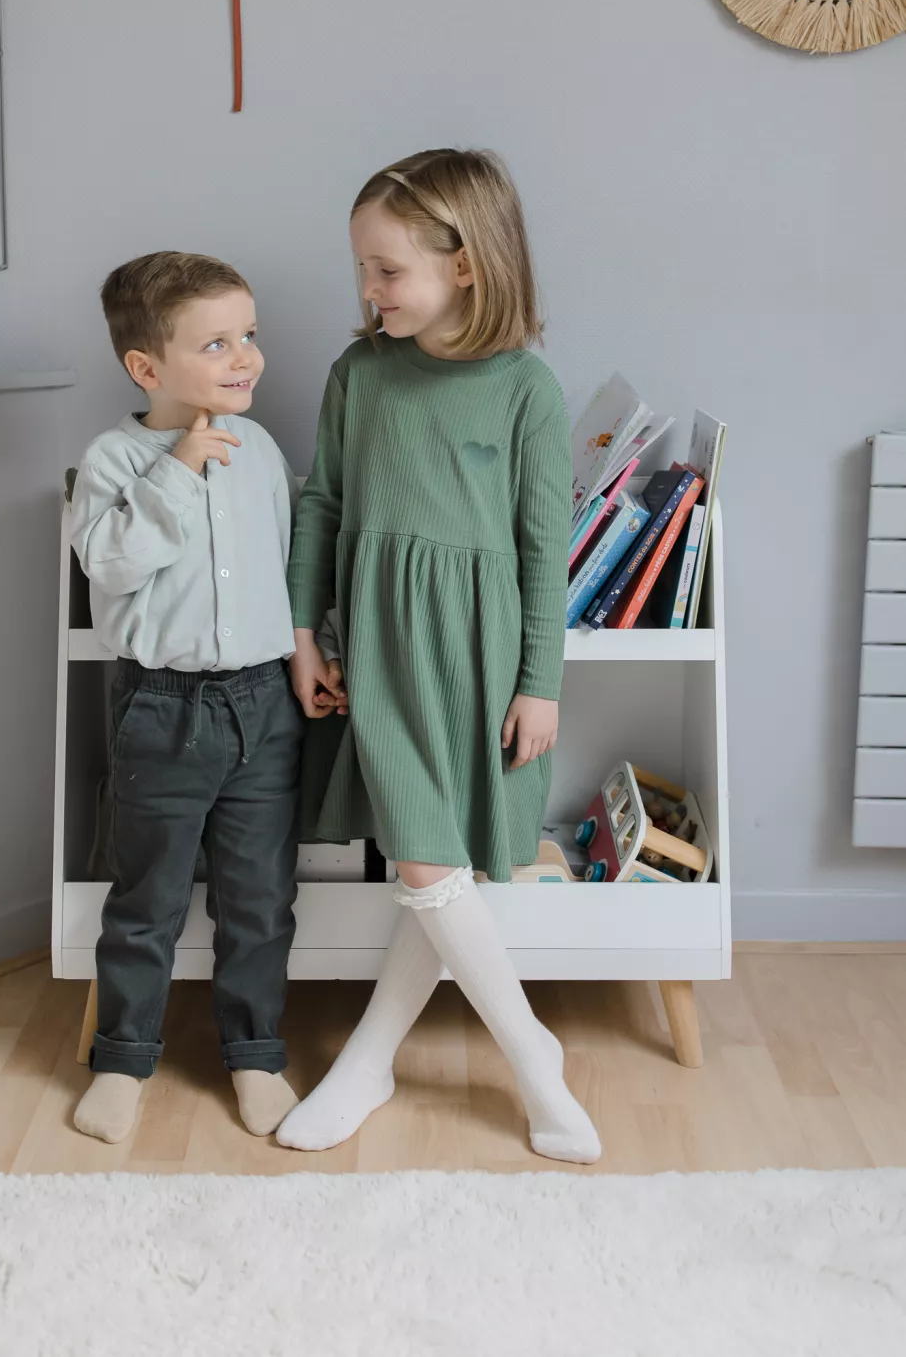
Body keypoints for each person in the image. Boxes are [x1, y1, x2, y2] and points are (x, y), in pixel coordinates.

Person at [278, 148, 602, 1164]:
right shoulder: (358, 374)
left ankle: (371, 1061)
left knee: (439, 866)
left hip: (477, 650)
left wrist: (539, 683)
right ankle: (534, 1062)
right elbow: (323, 502)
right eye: (362, 271)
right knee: (427, 859)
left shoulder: (526, 391)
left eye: (387, 270)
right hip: (377, 642)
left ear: (464, 262)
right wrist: (300, 629)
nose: (369, 293)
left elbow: (543, 548)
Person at [69, 251, 322, 1146]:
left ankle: (255, 1053)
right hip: (161, 709)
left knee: (259, 898)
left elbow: (287, 565)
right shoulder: (113, 460)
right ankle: (122, 1058)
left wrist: (304, 654)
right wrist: (177, 465)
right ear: (147, 368)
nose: (245, 356)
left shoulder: (261, 452)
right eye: (216, 342)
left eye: (248, 335)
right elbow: (108, 563)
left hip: (263, 707)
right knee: (147, 898)